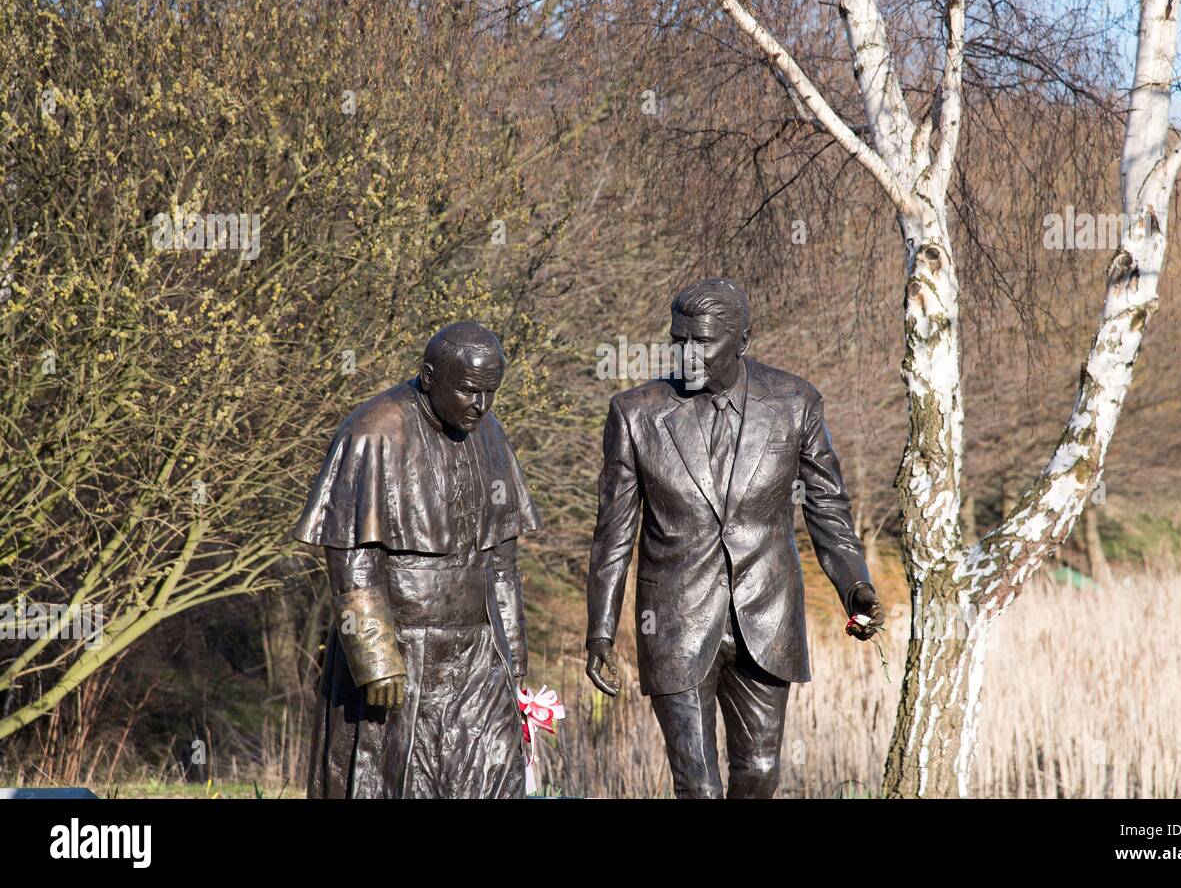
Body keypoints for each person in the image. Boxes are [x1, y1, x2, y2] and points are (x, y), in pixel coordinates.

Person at [585, 278, 885, 798]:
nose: (687, 355)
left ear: (742, 342)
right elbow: (614, 533)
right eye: (679, 341)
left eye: (701, 342)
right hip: (675, 618)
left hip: (766, 616)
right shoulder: (637, 413)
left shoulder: (795, 403)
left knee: (761, 772)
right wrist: (600, 631)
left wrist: (854, 585)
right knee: (697, 785)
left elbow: (827, 507)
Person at [295, 321, 539, 798]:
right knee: (395, 783)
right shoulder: (373, 431)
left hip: (478, 650)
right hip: (403, 647)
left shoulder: (488, 431)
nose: (482, 406)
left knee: (490, 777)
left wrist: (515, 655)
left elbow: (503, 557)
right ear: (429, 376)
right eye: (469, 391)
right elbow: (350, 554)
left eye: (491, 393)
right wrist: (376, 657)